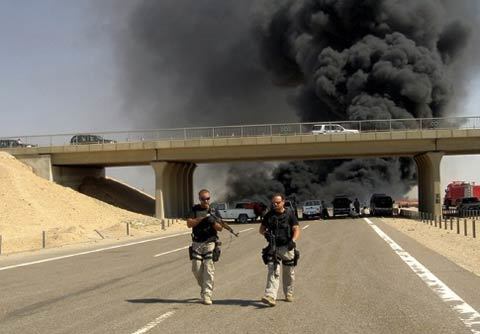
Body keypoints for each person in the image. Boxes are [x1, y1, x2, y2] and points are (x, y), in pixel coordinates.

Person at [259, 193, 300, 306]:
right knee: (273, 270)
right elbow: (261, 229)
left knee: (289, 272)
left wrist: (293, 241)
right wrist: (265, 233)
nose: (275, 204)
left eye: (277, 202)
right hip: (274, 247)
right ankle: (270, 296)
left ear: (283, 202)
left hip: (287, 246)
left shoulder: (290, 215)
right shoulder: (269, 215)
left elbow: (296, 229)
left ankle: (288, 293)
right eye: (273, 203)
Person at [186, 189, 223, 305]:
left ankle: (207, 294)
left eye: (207, 198)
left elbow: (220, 228)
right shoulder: (194, 209)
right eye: (203, 199)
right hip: (197, 243)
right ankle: (205, 287)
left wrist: (213, 221)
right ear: (199, 199)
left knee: (208, 268)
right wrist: (200, 219)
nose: (206, 201)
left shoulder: (213, 210)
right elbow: (189, 224)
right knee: (196, 269)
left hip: (210, 243)